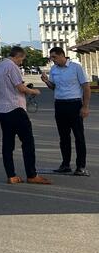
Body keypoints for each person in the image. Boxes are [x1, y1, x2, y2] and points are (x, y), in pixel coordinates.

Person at [0, 46, 51, 185]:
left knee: (7, 143)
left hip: (1, 109)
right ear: (17, 56)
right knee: (28, 141)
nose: (21, 62)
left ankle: (11, 175)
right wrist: (34, 91)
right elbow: (20, 87)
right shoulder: (12, 67)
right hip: (15, 108)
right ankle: (32, 174)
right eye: (21, 59)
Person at [42, 47, 90, 176]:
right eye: (51, 57)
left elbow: (86, 87)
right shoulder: (54, 69)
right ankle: (65, 164)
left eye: (54, 57)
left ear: (62, 55)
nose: (52, 60)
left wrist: (85, 106)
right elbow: (53, 87)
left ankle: (81, 166)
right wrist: (46, 81)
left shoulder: (76, 68)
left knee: (79, 136)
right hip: (60, 104)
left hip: (74, 104)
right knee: (63, 137)